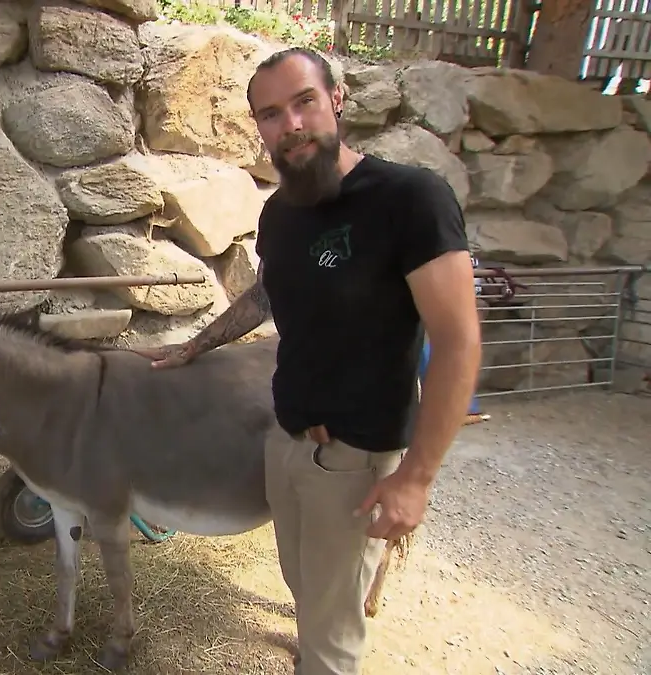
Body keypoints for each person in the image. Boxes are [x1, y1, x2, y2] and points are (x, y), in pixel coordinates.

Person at [133, 48, 482, 675]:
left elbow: (458, 343)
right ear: (258, 127)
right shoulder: (281, 213)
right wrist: (193, 346)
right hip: (287, 440)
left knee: (329, 636)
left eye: (304, 103)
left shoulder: (410, 199)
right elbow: (266, 295)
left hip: (355, 458)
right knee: (306, 587)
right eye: (270, 114)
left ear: (337, 101)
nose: (290, 125)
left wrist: (416, 479)